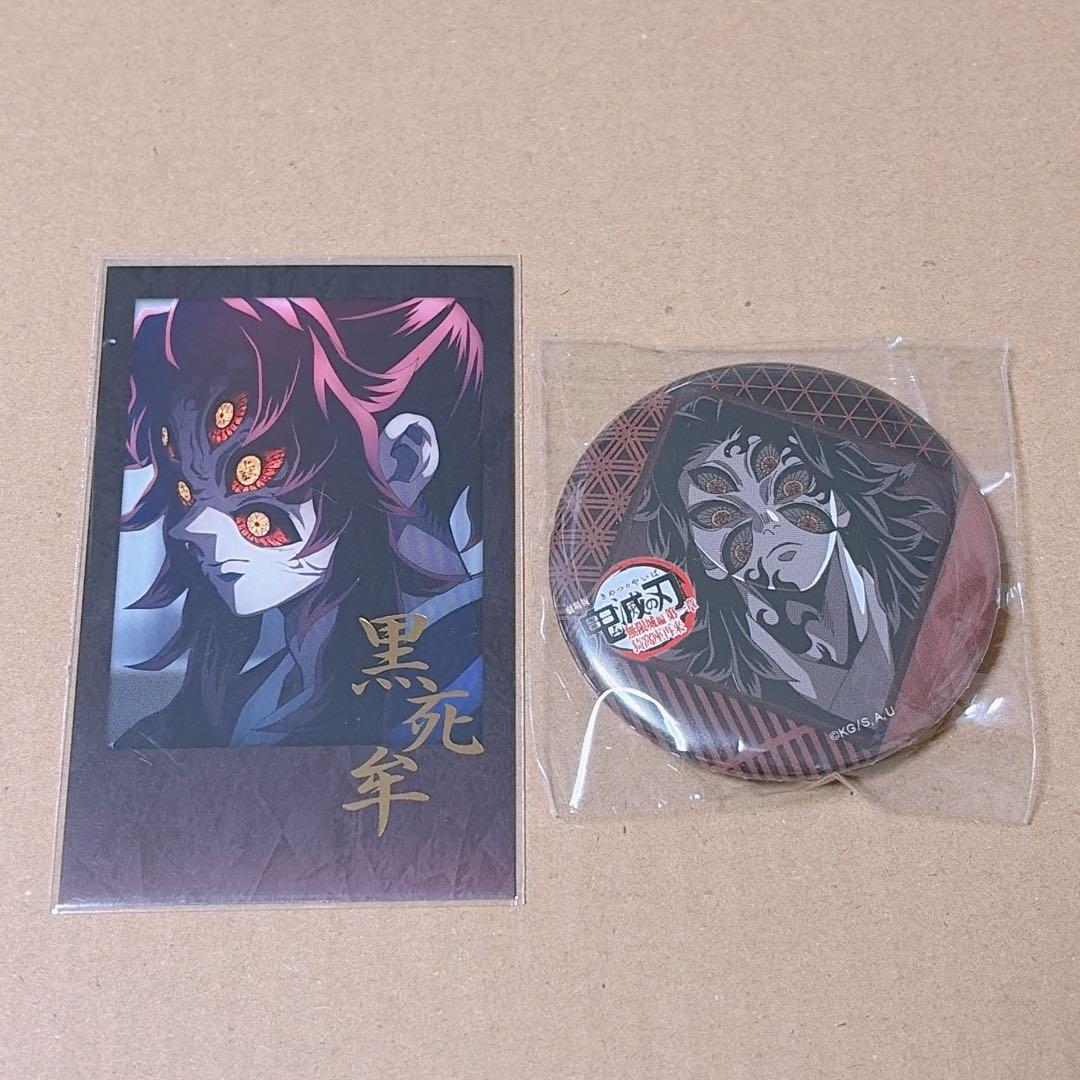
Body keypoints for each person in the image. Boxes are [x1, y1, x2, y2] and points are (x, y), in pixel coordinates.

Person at [111, 296, 485, 748]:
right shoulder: (253, 699)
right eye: (187, 489)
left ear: (404, 459)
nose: (188, 528)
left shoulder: (476, 682)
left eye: (248, 473)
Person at [636, 395, 946, 726]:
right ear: (706, 560)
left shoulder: (934, 590)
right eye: (721, 516)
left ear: (838, 501)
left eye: (788, 486)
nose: (768, 521)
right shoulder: (712, 692)